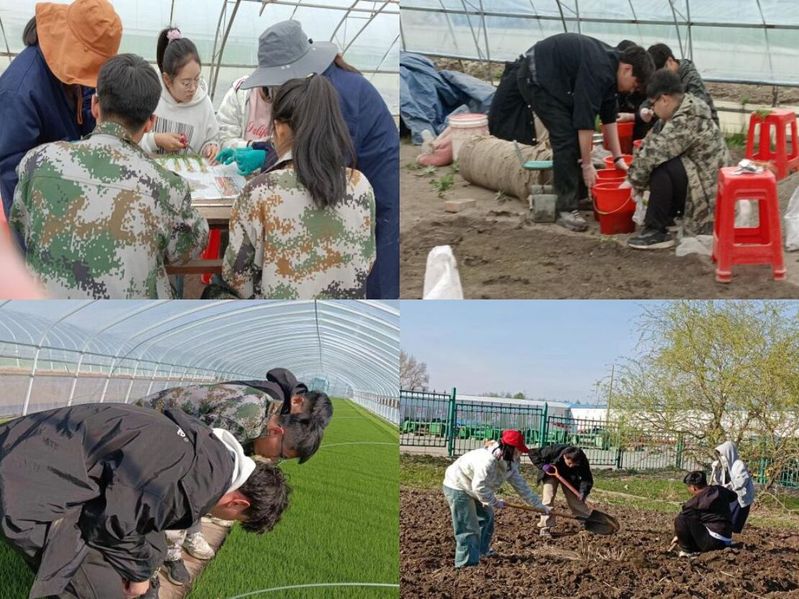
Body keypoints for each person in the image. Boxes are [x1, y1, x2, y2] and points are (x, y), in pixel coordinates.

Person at [0, 403, 289, 598]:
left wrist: (142, 569)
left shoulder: (209, 454)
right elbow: (106, 524)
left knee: (153, 547)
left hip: (30, 449)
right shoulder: (195, 484)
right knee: (102, 589)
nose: (225, 520)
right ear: (238, 504)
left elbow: (138, 511)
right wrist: (138, 576)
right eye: (236, 520)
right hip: (24, 483)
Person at [9, 53, 209, 298]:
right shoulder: (167, 187)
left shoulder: (37, 163)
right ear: (150, 122)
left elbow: (21, 225)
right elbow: (187, 248)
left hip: (49, 318)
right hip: (130, 319)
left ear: (95, 106)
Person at [226, 20, 398, 299]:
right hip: (358, 189)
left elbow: (320, 161)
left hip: (376, 198)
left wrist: (270, 169)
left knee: (373, 280)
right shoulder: (320, 85)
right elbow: (307, 144)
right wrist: (262, 149)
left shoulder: (333, 95)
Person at [134, 369, 329, 589]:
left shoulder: (265, 416)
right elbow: (189, 480)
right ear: (276, 432)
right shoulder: (243, 420)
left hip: (161, 437)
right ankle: (164, 557)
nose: (273, 459)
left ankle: (172, 546)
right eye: (280, 454)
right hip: (141, 427)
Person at [222, 74, 376, 299]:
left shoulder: (258, 192)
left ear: (280, 128)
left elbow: (236, 278)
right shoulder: (360, 186)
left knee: (215, 293)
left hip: (281, 318)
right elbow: (367, 261)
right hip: (344, 315)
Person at [487, 33, 655, 232]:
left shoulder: (611, 70)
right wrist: (587, 165)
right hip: (536, 76)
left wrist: (618, 157)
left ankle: (578, 196)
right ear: (627, 69)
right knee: (566, 137)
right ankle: (565, 208)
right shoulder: (599, 70)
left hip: (558, 80)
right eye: (635, 85)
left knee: (575, 137)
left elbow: (609, 117)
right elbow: (585, 121)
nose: (632, 91)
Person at [0, 0, 122, 220]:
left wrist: (100, 118)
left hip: (64, 181)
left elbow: (84, 107)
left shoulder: (67, 72)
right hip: (39, 202)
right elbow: (12, 175)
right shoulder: (20, 92)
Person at [625, 69, 730, 249]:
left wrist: (633, 182)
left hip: (709, 194)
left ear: (664, 99)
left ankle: (656, 230)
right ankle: (668, 217)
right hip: (699, 181)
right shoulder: (677, 112)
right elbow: (649, 142)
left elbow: (654, 153)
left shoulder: (687, 118)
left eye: (653, 104)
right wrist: (635, 175)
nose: (652, 110)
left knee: (662, 166)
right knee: (662, 165)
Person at [442, 430, 549, 567]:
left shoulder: (510, 462)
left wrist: (539, 506)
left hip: (475, 487)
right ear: (510, 448)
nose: (521, 453)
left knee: (487, 517)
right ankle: (466, 564)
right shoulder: (487, 461)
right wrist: (494, 502)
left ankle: (482, 551)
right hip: (458, 485)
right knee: (468, 527)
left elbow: (521, 486)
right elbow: (479, 487)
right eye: (518, 450)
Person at [139, 28, 220, 160]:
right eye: (186, 83)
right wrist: (156, 140)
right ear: (167, 79)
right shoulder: (149, 96)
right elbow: (128, 139)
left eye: (197, 79)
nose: (193, 88)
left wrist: (210, 147)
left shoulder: (203, 103)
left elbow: (211, 138)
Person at [646, 43, 718, 127]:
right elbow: (653, 97)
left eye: (663, 70)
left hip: (701, 124)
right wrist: (646, 109)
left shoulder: (691, 78)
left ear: (670, 61)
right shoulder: (665, 78)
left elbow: (698, 107)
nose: (661, 76)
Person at [528, 444, 593, 537]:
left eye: (574, 464)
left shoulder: (581, 459)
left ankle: (589, 523)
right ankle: (545, 527)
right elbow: (532, 453)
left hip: (569, 477)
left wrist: (583, 491)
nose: (571, 466)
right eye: (569, 463)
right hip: (551, 472)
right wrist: (543, 466)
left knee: (576, 500)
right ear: (564, 457)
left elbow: (587, 478)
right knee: (548, 498)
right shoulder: (554, 450)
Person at [673, 470, 737, 557]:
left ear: (693, 488)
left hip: (712, 541)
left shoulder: (694, 503)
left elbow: (684, 520)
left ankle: (687, 552)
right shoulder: (720, 490)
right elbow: (734, 496)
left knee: (681, 519)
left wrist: (680, 536)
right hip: (726, 539)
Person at [710, 441, 756, 534]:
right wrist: (716, 470)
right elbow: (719, 481)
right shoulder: (725, 467)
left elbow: (742, 481)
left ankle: (732, 536)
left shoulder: (738, 464)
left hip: (740, 498)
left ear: (729, 453)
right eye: (720, 455)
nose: (722, 457)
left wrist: (729, 486)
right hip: (730, 496)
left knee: (734, 520)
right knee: (725, 518)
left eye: (723, 455)